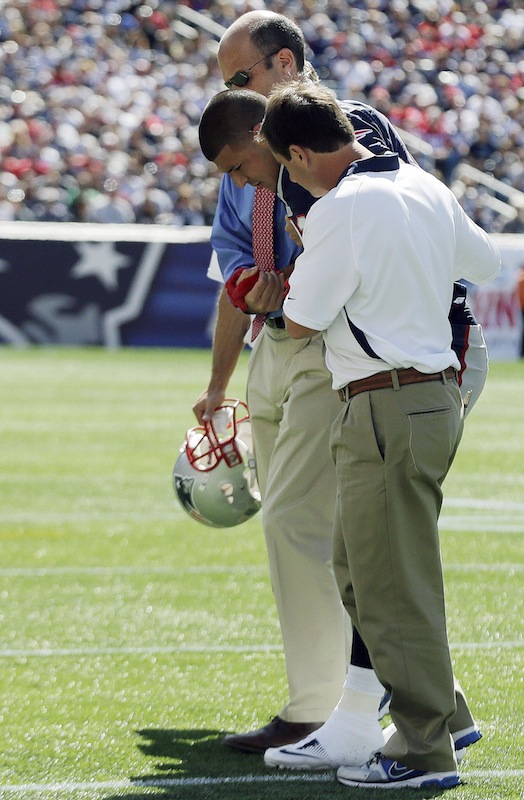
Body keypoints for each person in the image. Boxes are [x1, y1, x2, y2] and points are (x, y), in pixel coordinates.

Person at [194, 10, 431, 759]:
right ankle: (367, 701)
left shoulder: (348, 131)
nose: (232, 93)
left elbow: (371, 241)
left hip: (335, 346)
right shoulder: (245, 150)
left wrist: (290, 290)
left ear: (286, 64)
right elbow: (234, 270)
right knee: (322, 531)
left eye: (242, 78)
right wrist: (218, 382)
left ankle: (324, 708)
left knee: (302, 522)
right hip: (278, 344)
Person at [258, 79, 500, 789]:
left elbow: (300, 318)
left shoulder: (340, 209)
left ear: (301, 152)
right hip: (425, 396)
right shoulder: (425, 186)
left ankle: (425, 751)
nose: (290, 178)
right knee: (363, 574)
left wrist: (283, 301)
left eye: (286, 165)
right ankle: (446, 714)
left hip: (384, 402)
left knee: (390, 585)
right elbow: (482, 264)